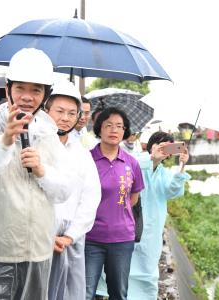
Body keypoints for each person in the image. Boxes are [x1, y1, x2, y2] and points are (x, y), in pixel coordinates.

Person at [0, 48, 74, 300]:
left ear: (45, 96)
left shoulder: (47, 136)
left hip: (37, 253)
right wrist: (5, 140)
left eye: (36, 90)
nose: (27, 97)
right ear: (7, 90)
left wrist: (42, 171)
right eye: (20, 88)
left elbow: (65, 190)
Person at [44, 80, 101, 300]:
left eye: (71, 113)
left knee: (70, 293)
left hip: (71, 242)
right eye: (59, 111)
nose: (65, 118)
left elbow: (90, 197)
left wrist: (70, 235)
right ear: (46, 110)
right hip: (39, 239)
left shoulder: (81, 153)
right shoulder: (36, 144)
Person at [85, 107, 145, 300]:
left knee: (118, 293)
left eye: (119, 126)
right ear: (99, 129)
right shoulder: (86, 159)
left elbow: (133, 197)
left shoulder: (131, 163)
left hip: (122, 239)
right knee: (84, 292)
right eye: (108, 125)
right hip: (90, 237)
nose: (114, 130)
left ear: (125, 131)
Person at [128, 131, 190, 300]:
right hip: (130, 225)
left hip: (153, 230)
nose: (163, 150)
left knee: (148, 271)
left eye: (167, 147)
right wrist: (152, 158)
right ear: (151, 145)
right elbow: (130, 169)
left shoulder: (165, 173)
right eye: (159, 144)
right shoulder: (137, 160)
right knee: (125, 270)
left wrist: (182, 166)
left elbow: (173, 191)